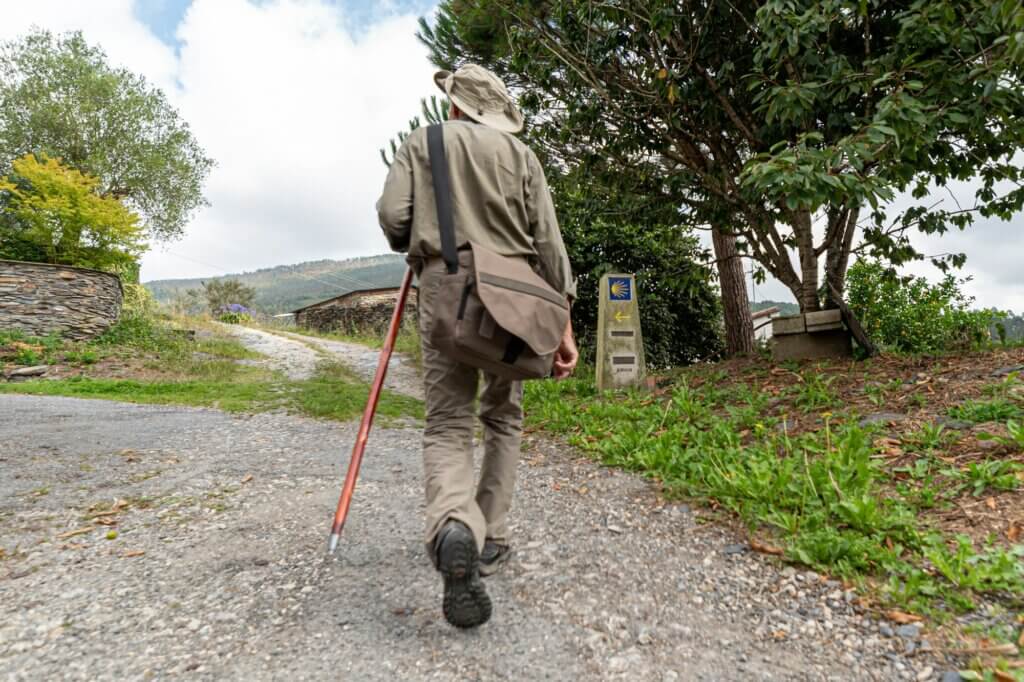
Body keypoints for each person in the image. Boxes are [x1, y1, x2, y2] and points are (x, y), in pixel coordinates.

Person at [376, 63, 578, 629]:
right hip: (516, 298)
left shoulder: (425, 142)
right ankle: (490, 535)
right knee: (504, 415)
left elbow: (395, 221)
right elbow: (549, 246)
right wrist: (562, 325)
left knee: (446, 420)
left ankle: (453, 525)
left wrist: (414, 238)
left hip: (446, 286)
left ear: (454, 106)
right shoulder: (523, 158)